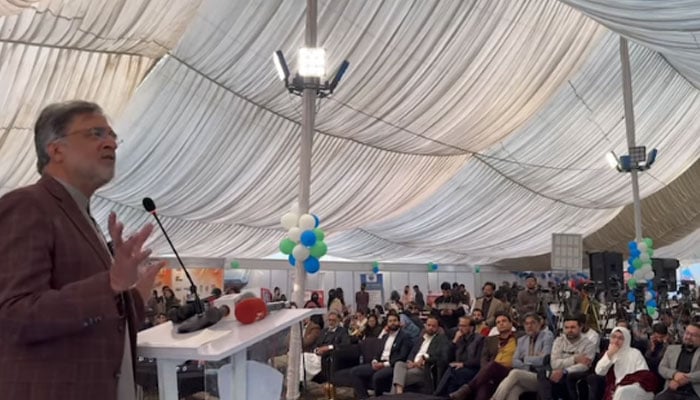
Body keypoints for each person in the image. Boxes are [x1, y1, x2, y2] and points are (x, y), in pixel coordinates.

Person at [0, 100, 164, 400]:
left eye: (113, 135)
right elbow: (16, 316)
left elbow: (100, 316)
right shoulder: (28, 205)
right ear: (55, 149)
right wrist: (112, 283)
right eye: (95, 133)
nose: (111, 143)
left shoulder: (83, 216)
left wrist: (135, 296)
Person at [595, 327, 659, 400]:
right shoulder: (609, 354)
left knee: (623, 391)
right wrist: (609, 354)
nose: (616, 340)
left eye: (620, 338)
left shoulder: (635, 353)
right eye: (614, 337)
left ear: (626, 340)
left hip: (636, 387)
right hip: (616, 388)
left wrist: (626, 383)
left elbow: (644, 375)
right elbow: (599, 371)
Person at [656, 322, 700, 400]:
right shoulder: (671, 349)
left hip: (694, 393)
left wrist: (685, 379)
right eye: (687, 333)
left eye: (693, 335)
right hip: (672, 390)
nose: (688, 337)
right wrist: (674, 374)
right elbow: (661, 368)